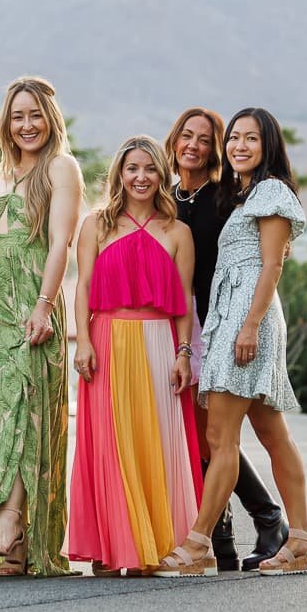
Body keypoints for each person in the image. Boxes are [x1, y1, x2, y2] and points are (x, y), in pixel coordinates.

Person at [160, 108, 307, 576]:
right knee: (272, 434)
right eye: (235, 138)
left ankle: (197, 543)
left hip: (243, 322)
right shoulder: (243, 193)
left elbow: (272, 265)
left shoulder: (269, 191)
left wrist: (248, 326)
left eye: (251, 138)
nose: (240, 146)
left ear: (268, 144)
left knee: (219, 437)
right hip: (230, 319)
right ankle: (301, 539)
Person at [0, 77, 82, 577]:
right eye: (17, 116)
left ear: (50, 119)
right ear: (5, 123)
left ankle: (9, 520)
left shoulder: (61, 168)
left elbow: (59, 245)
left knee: (27, 408)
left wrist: (45, 306)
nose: (26, 125)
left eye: (35, 115)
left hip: (33, 299)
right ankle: (17, 543)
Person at [68, 136, 201, 575]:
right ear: (119, 175)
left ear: (162, 174)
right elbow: (83, 287)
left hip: (160, 341)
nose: (141, 177)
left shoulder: (178, 231)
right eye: (132, 169)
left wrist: (184, 353)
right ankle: (111, 547)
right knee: (109, 442)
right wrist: (82, 341)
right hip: (106, 339)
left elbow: (183, 298)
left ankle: (151, 546)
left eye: (149, 169)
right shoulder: (96, 225)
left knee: (156, 442)